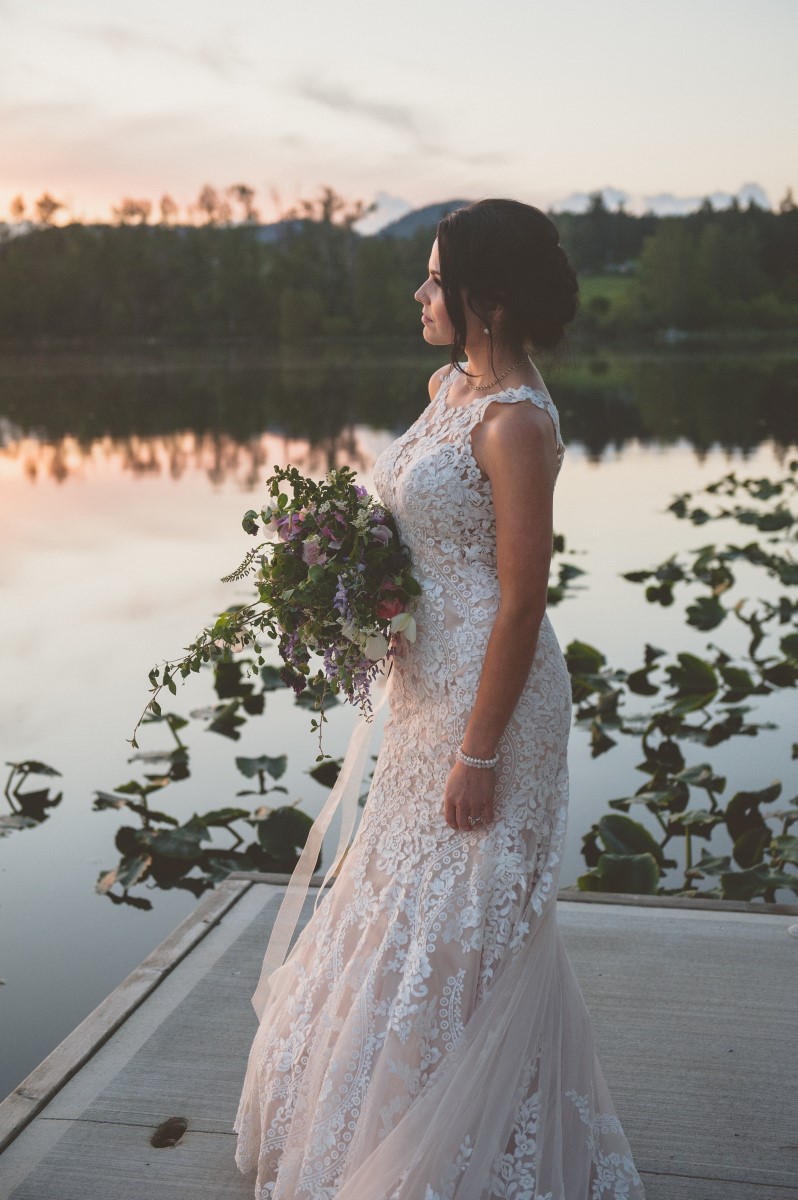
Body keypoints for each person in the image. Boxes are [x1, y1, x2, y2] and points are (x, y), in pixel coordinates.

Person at [233, 198, 646, 1199]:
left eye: (433, 279)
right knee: (399, 897)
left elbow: (519, 602)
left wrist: (480, 751)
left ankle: (486, 1146)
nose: (420, 293)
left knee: (469, 917)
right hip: (426, 687)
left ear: (485, 301)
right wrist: (346, 577)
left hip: (491, 699)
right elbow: (419, 532)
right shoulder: (448, 387)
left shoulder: (516, 424)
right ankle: (385, 1119)